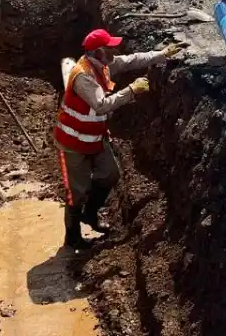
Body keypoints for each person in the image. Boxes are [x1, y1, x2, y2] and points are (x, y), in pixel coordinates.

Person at [55, 28, 182, 250]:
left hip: (94, 136)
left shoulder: (102, 64)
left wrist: (162, 54)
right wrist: (131, 91)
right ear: (98, 51)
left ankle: (90, 215)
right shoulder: (84, 76)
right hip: (74, 141)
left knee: (109, 174)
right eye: (111, 47)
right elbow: (101, 105)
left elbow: (131, 60)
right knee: (77, 191)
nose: (116, 50)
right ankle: (72, 237)